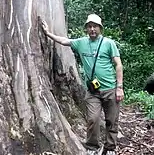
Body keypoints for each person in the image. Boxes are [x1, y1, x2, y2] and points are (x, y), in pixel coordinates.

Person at [41, 14, 124, 155]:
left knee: (112, 120)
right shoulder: (81, 42)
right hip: (93, 91)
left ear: (100, 28)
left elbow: (118, 65)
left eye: (95, 26)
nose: (92, 29)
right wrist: (48, 33)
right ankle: (92, 147)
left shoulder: (109, 43)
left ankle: (110, 148)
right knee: (92, 119)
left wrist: (119, 87)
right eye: (89, 26)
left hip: (110, 89)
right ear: (86, 29)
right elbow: (64, 41)